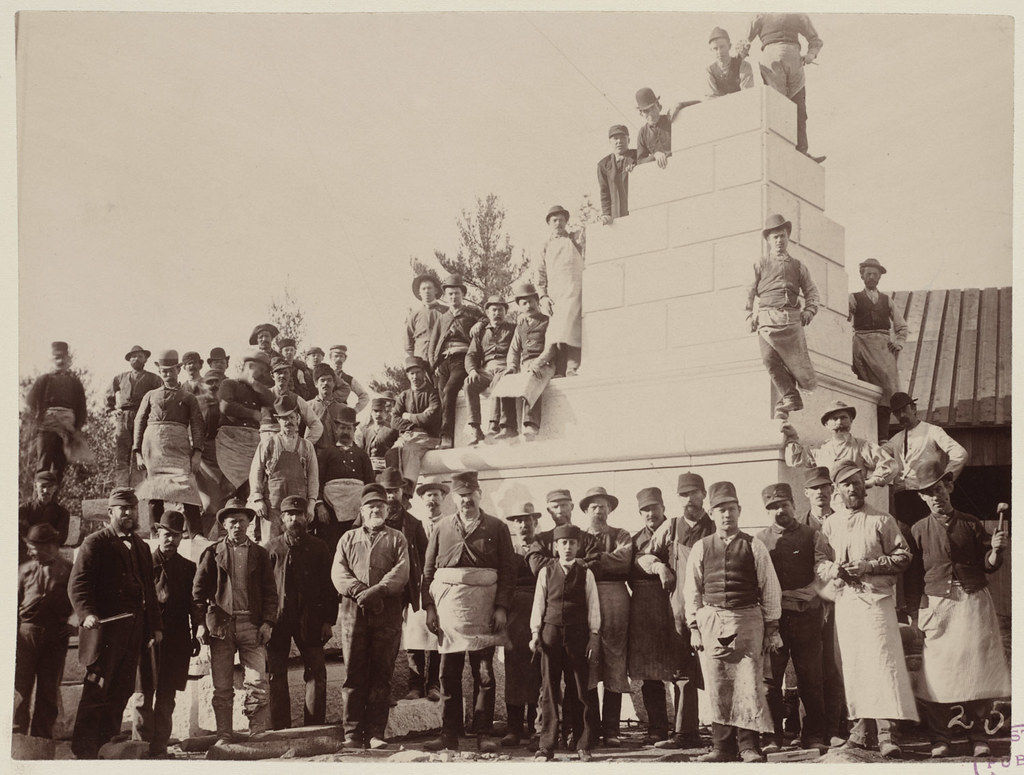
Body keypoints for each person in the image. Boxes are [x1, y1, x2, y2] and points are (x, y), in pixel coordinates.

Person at [906, 465, 1010, 758]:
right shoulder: (918, 530)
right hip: (937, 604)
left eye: (939, 489)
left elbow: (988, 565)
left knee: (977, 668)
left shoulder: (971, 523)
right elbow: (913, 578)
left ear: (949, 488)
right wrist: (915, 612)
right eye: (928, 492)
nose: (935, 496)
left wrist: (996, 551)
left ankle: (978, 736)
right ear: (923, 498)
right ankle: (941, 739)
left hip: (973, 600)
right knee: (938, 672)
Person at [816, 461, 917, 758]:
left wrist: (869, 566)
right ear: (837, 489)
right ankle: (860, 731)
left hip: (876, 601)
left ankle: (888, 733)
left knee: (883, 664)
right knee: (854, 664)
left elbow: (904, 557)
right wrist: (835, 570)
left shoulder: (882, 520)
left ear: (864, 484)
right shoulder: (830, 524)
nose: (853, 488)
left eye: (857, 481)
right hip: (847, 602)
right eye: (846, 484)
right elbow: (819, 561)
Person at [683, 481, 781, 763]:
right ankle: (721, 747)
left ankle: (749, 746)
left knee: (748, 682)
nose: (727, 515)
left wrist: (772, 624)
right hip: (712, 620)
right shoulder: (701, 547)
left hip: (747, 618)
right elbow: (692, 589)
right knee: (718, 683)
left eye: (732, 509)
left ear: (740, 511)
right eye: (721, 510)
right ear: (712, 514)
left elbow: (769, 587)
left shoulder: (754, 545)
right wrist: (694, 626)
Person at [421, 470, 515, 752]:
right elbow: (428, 571)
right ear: (454, 499)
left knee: (484, 672)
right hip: (448, 608)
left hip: (483, 607)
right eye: (461, 497)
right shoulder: (443, 527)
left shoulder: (497, 528)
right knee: (448, 672)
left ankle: (483, 732)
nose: (466, 501)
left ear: (479, 496)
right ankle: (448, 734)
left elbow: (508, 572)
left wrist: (500, 608)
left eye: (470, 496)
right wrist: (429, 608)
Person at [69, 487, 163, 759]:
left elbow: (149, 590)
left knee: (121, 690)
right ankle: (84, 749)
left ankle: (106, 743)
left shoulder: (143, 547)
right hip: (104, 631)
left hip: (133, 633)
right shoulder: (95, 543)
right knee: (97, 690)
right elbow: (78, 584)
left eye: (132, 508)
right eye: (122, 508)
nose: (129, 513)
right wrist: (86, 614)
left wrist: (155, 626)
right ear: (110, 512)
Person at [638, 472, 715, 750]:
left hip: (713, 611)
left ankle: (726, 736)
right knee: (682, 672)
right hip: (679, 613)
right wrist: (659, 567)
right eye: (684, 494)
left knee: (718, 671)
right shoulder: (670, 527)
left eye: (695, 493)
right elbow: (644, 556)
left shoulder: (716, 527)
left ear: (704, 495)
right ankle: (685, 734)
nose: (689, 499)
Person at [753, 483, 832, 753]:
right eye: (772, 507)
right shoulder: (759, 540)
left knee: (811, 679)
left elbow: (821, 577)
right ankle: (772, 737)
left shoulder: (813, 535)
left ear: (794, 505)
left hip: (806, 619)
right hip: (772, 623)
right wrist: (778, 603)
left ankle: (813, 735)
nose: (779, 511)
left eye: (783, 504)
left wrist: (802, 596)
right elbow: (757, 583)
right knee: (769, 682)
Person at [332, 484, 411, 750]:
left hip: (386, 610)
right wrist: (358, 591)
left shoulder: (397, 538)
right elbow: (338, 572)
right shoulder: (348, 538)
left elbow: (402, 570)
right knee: (354, 673)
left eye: (380, 506)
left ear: (387, 511)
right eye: (370, 506)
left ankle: (376, 732)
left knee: (381, 673)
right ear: (362, 511)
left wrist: (378, 590)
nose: (375, 509)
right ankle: (352, 733)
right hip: (354, 611)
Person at [193, 500, 278, 741]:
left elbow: (271, 593)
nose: (237, 526)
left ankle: (257, 732)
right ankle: (224, 734)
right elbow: (198, 594)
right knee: (222, 686)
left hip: (252, 626)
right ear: (224, 526)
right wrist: (200, 623)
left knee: (258, 681)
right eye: (232, 522)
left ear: (249, 523)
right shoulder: (212, 553)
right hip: (221, 627)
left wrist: (268, 623)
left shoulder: (260, 554)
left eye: (242, 521)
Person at [265, 495, 338, 730]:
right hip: (278, 619)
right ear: (282, 519)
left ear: (306, 518)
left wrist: (328, 620)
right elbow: (263, 588)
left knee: (316, 671)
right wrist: (265, 621)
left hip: (311, 619)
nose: (294, 519)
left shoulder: (319, 548)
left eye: (298, 514)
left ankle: (314, 727)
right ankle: (280, 728)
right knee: (276, 674)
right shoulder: (271, 548)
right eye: (289, 515)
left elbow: (330, 586)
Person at [530, 524, 602, 762]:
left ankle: (582, 743)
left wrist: (593, 635)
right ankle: (546, 745)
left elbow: (593, 605)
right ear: (555, 546)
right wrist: (535, 633)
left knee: (580, 689)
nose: (568, 547)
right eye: (563, 543)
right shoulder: (546, 572)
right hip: (550, 634)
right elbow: (538, 604)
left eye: (572, 543)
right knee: (549, 689)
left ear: (578, 546)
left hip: (578, 635)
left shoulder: (585, 572)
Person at [136, 511, 200, 758]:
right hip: (147, 640)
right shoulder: (142, 566)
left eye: (175, 536)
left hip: (176, 641)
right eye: (166, 535)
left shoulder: (188, 568)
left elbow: (195, 604)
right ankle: (141, 749)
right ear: (156, 534)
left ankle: (159, 748)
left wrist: (197, 631)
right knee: (143, 695)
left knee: (166, 697)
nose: (170, 540)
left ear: (181, 538)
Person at [745, 214, 820, 419]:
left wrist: (809, 310)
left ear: (788, 238)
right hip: (767, 319)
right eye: (775, 237)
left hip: (792, 321)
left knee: (793, 364)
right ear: (768, 240)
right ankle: (790, 396)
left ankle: (787, 402)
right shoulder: (760, 264)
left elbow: (812, 292)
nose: (779, 240)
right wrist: (749, 315)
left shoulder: (798, 266)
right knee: (769, 359)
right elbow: (748, 292)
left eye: (783, 236)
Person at [579, 486, 632, 748]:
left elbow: (623, 560)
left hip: (615, 596)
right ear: (586, 511)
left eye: (603, 506)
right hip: (585, 596)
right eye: (593, 506)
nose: (599, 511)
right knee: (588, 658)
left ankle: (612, 728)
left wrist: (592, 560)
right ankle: (591, 727)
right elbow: (572, 562)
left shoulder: (621, 534)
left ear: (610, 509)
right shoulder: (577, 536)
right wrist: (595, 562)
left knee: (615, 660)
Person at [133, 349, 206, 538]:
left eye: (171, 370)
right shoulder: (150, 395)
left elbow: (197, 425)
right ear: (159, 371)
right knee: (155, 491)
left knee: (187, 488)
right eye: (164, 371)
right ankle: (155, 533)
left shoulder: (188, 397)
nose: (167, 374)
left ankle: (196, 535)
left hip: (179, 448)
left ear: (178, 369)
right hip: (153, 449)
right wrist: (138, 452)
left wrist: (197, 453)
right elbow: (139, 422)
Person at [801, 467, 847, 744]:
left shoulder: (844, 521)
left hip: (843, 603)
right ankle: (811, 731)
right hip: (810, 606)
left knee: (836, 666)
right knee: (810, 669)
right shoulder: (798, 526)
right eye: (814, 489)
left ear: (832, 490)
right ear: (806, 493)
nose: (820, 493)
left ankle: (837, 729)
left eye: (824, 487)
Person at [627, 487, 677, 745]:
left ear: (663, 508)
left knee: (680, 669)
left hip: (674, 602)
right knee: (651, 673)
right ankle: (657, 727)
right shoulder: (635, 540)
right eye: (644, 510)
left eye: (654, 507)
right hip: (645, 609)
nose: (650, 513)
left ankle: (682, 728)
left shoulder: (676, 533)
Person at [15, 524, 73, 740]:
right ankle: (16, 737)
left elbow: (80, 600)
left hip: (55, 639)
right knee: (19, 689)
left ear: (49, 546)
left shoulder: (69, 570)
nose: (30, 552)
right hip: (25, 638)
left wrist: (71, 623)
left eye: (33, 547)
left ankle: (41, 740)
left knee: (48, 692)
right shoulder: (24, 571)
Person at [747, 13, 824, 161]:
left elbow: (815, 39)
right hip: (771, 59)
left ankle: (801, 151)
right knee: (777, 107)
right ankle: (779, 150)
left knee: (799, 108)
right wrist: (741, 51)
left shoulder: (796, 13)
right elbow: (745, 39)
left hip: (793, 58)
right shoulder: (761, 13)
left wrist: (811, 54)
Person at [883, 391, 968, 523]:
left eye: (904, 410)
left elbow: (960, 454)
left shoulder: (933, 431)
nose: (902, 415)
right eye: (897, 413)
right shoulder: (896, 439)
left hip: (926, 494)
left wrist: (945, 480)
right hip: (902, 499)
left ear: (914, 408)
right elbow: (878, 454)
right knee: (907, 538)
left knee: (929, 535)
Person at [249, 394, 319, 543]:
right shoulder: (268, 444)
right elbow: (256, 471)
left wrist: (311, 504)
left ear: (298, 419)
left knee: (297, 543)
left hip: (298, 508)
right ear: (278, 420)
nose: (289, 422)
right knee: (271, 544)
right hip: (273, 505)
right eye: (285, 418)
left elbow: (313, 477)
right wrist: (257, 499)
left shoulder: (307, 446)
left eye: (292, 418)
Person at [403, 479, 449, 701]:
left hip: (441, 583)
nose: (432, 499)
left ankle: (434, 684)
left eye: (436, 494)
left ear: (443, 498)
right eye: (428, 495)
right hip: (417, 581)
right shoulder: (414, 525)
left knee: (438, 633)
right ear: (422, 500)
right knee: (414, 633)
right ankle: (415, 685)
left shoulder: (450, 524)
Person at [502, 503, 543, 747]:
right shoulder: (508, 549)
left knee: (537, 669)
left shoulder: (544, 546)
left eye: (527, 520)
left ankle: (535, 727)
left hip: (540, 609)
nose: (523, 525)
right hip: (515, 613)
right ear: (513, 525)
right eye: (518, 521)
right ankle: (514, 728)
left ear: (535, 523)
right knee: (514, 670)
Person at [427, 274, 484, 449]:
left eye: (457, 293)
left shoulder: (472, 312)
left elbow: (487, 318)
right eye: (450, 294)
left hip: (462, 359)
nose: (453, 297)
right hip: (443, 361)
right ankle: (441, 436)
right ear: (446, 296)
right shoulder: (442, 318)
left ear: (462, 294)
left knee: (450, 390)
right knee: (441, 395)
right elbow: (433, 343)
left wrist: (480, 323)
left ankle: (447, 437)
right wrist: (434, 365)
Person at [784, 400, 897, 487]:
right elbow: (795, 459)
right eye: (835, 419)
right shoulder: (819, 449)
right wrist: (792, 437)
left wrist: (872, 481)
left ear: (851, 421)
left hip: (855, 501)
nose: (840, 422)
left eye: (844, 417)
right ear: (827, 425)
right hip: (829, 503)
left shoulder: (862, 446)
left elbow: (889, 464)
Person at [848, 259, 908, 416]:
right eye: (868, 274)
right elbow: (843, 320)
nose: (872, 277)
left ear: (880, 277)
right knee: (866, 385)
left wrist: (899, 342)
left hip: (883, 346)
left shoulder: (887, 300)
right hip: (861, 344)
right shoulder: (853, 298)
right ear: (862, 276)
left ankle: (882, 436)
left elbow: (901, 325)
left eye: (875, 274)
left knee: (890, 388)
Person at [217, 351, 276, 501]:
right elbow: (226, 407)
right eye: (261, 369)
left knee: (249, 487)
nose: (263, 374)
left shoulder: (257, 390)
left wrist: (254, 382)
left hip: (251, 443)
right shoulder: (229, 384)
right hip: (230, 441)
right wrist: (252, 414)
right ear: (250, 366)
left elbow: (272, 401)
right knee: (228, 487)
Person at [26, 340, 90, 480]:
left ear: (68, 360)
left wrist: (76, 428)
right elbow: (30, 402)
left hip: (67, 428)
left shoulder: (75, 383)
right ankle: (41, 501)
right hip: (47, 426)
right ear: (52, 359)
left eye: (63, 358)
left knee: (59, 467)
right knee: (43, 464)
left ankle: (53, 500)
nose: (60, 361)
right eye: (57, 357)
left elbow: (81, 408)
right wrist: (37, 421)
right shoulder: (44, 380)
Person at [315, 404, 376, 549]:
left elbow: (370, 484)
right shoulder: (327, 453)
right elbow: (317, 481)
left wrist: (364, 511)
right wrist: (320, 505)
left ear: (354, 430)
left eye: (349, 428)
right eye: (342, 428)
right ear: (336, 429)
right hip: (331, 510)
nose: (345, 432)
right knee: (331, 545)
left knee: (356, 545)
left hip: (356, 508)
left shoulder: (362, 455)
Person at [504, 282, 556, 439]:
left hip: (545, 364)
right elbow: (513, 350)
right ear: (519, 306)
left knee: (532, 377)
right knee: (506, 380)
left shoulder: (547, 321)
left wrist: (536, 363)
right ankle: (507, 426)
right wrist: (512, 367)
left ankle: (530, 424)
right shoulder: (520, 327)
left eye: (530, 301)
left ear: (537, 301)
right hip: (525, 364)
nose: (528, 306)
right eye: (523, 303)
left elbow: (551, 348)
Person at [536, 206, 584, 377]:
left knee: (573, 325)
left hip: (576, 288)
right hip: (556, 293)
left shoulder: (575, 238)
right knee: (558, 329)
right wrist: (543, 296)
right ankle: (559, 368)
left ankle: (573, 366)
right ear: (549, 223)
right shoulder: (545, 245)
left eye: (562, 220)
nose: (558, 223)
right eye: (554, 220)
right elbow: (540, 273)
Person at [107, 345, 162, 487]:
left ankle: (138, 490)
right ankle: (122, 489)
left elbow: (161, 395)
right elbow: (109, 394)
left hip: (144, 416)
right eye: (133, 356)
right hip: (124, 417)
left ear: (145, 359)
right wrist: (111, 410)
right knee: (121, 455)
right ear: (129, 360)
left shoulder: (153, 378)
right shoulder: (120, 378)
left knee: (140, 454)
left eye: (140, 356)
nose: (136, 359)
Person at [465, 295, 517, 444]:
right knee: (469, 384)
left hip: (505, 367)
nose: (497, 313)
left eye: (501, 310)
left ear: (505, 312)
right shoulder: (481, 332)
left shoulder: (513, 329)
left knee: (500, 380)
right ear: (487, 313)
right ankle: (475, 429)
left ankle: (495, 425)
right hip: (486, 369)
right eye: (493, 310)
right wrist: (472, 370)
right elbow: (471, 355)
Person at [391, 356, 441, 484]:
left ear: (424, 373)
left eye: (418, 372)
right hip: (407, 435)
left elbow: (430, 418)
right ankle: (394, 489)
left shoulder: (433, 393)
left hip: (427, 437)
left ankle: (407, 493)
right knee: (392, 453)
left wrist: (408, 416)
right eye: (412, 373)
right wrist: (416, 422)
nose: (415, 377)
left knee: (411, 450)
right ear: (408, 375)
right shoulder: (404, 395)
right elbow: (394, 421)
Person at [634, 88, 700, 168]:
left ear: (659, 106)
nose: (650, 114)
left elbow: (700, 103)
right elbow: (640, 161)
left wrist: (679, 105)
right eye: (646, 111)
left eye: (653, 108)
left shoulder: (671, 119)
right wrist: (655, 155)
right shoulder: (643, 132)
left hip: (682, 165)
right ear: (641, 114)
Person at [264, 356, 324, 444]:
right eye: (279, 373)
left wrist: (305, 444)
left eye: (286, 373)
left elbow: (316, 425)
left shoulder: (296, 399)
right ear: (272, 375)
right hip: (267, 440)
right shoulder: (263, 396)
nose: (282, 376)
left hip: (289, 442)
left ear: (290, 375)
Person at [19, 471, 70, 562]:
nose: (46, 491)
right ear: (35, 486)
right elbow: (22, 535)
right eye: (42, 486)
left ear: (55, 488)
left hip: (50, 558)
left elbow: (60, 538)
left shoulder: (62, 513)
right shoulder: (24, 510)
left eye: (50, 486)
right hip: (26, 557)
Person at [597, 124, 637, 224]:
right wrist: (606, 213)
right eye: (615, 138)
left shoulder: (637, 156)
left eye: (623, 138)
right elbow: (604, 191)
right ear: (610, 142)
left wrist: (637, 167)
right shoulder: (603, 165)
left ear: (628, 140)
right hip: (616, 214)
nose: (619, 141)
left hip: (636, 209)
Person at [405, 273, 449, 361]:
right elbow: (408, 342)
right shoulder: (414, 315)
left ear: (436, 290)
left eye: (429, 288)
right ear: (419, 292)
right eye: (423, 289)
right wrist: (416, 358)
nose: (426, 291)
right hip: (421, 358)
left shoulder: (446, 311)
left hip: (442, 358)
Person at [355, 397, 399, 475]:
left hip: (386, 470)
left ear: (385, 413)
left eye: (381, 411)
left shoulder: (393, 430)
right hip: (369, 469)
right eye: (375, 411)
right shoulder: (366, 431)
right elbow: (361, 451)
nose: (378, 414)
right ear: (371, 413)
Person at [706, 27, 754, 98]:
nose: (719, 52)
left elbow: (747, 95)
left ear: (729, 46)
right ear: (711, 50)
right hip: (719, 107)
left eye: (722, 47)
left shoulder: (743, 66)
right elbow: (711, 98)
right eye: (715, 48)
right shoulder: (710, 70)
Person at [307, 363, 342, 452]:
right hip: (314, 455)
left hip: (337, 455)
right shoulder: (307, 406)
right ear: (316, 384)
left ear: (334, 383)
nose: (326, 383)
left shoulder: (342, 408)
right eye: (322, 380)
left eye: (329, 380)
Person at [328, 345, 370, 415]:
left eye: (341, 356)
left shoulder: (349, 379)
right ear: (330, 357)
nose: (339, 359)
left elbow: (365, 396)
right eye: (336, 356)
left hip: (339, 416)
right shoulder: (322, 374)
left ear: (345, 358)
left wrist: (355, 411)